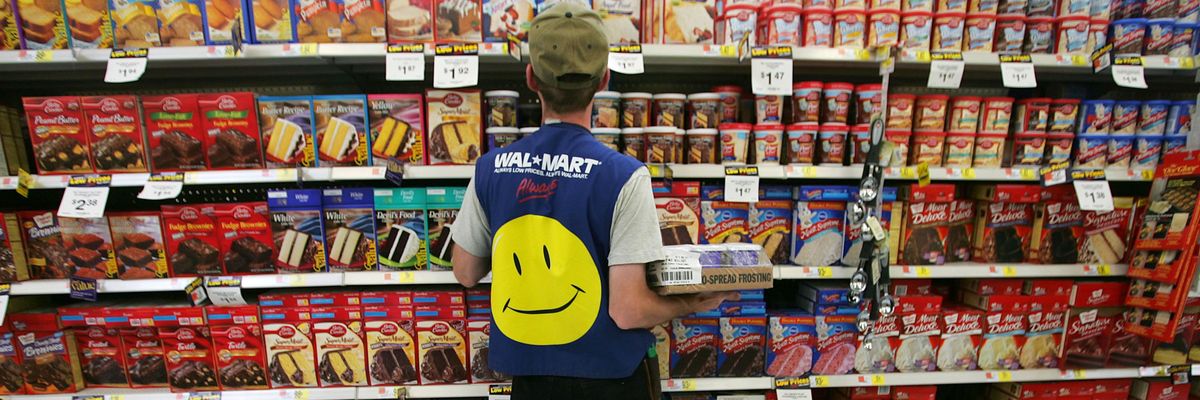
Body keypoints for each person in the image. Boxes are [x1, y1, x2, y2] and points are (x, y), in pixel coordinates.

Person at [449, 3, 736, 399]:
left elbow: (465, 271)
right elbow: (628, 309)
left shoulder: (490, 168)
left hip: (530, 383)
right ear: (603, 79)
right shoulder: (623, 176)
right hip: (611, 381)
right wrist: (693, 303)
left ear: (531, 77)